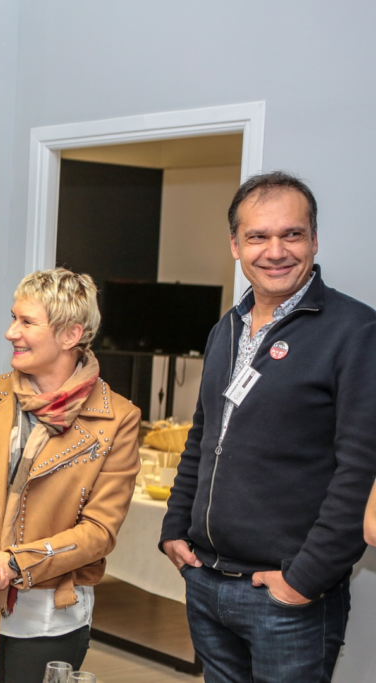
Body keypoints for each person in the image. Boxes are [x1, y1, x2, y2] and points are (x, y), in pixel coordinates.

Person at [160, 172, 376, 683]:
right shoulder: (226, 328)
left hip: (284, 596)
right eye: (258, 236)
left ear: (314, 239)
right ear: (235, 244)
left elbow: (360, 468)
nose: (275, 251)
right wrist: (174, 526)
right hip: (207, 581)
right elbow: (202, 436)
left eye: (292, 234)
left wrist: (305, 579)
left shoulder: (355, 332)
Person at [0, 268, 141, 682]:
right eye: (13, 317)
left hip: (52, 616)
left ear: (70, 335)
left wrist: (13, 563)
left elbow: (99, 531)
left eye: (26, 322)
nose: (10, 332)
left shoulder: (117, 418)